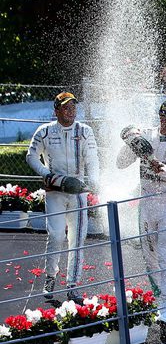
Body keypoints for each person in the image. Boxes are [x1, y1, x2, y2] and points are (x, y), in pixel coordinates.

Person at [117, 101, 166, 343]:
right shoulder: (147, 135)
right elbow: (120, 163)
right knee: (150, 258)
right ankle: (159, 305)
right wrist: (131, 142)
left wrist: (153, 162)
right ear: (162, 119)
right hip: (147, 203)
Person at [25, 92, 100, 303]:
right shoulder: (45, 132)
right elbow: (31, 156)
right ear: (56, 110)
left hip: (78, 193)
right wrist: (47, 175)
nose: (71, 111)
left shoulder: (85, 131)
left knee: (77, 240)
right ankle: (50, 276)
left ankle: (73, 285)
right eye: (66, 107)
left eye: (74, 107)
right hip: (55, 192)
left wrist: (94, 181)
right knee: (56, 235)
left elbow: (93, 159)